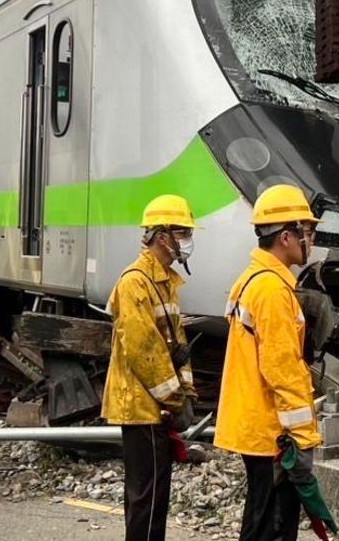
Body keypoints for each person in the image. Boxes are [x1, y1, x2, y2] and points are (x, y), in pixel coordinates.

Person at [215, 184, 321, 541]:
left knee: (260, 520)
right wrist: (302, 438)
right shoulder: (273, 291)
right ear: (287, 236)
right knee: (273, 527)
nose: (312, 239)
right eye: (308, 231)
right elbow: (283, 371)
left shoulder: (253, 280)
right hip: (273, 433)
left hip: (256, 426)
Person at [102, 194, 198, 541]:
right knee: (147, 498)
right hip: (141, 407)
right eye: (183, 232)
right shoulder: (135, 283)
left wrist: (185, 393)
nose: (188, 240)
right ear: (162, 237)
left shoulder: (163, 281)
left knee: (155, 496)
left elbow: (176, 346)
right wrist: (176, 400)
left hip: (154, 406)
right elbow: (146, 352)